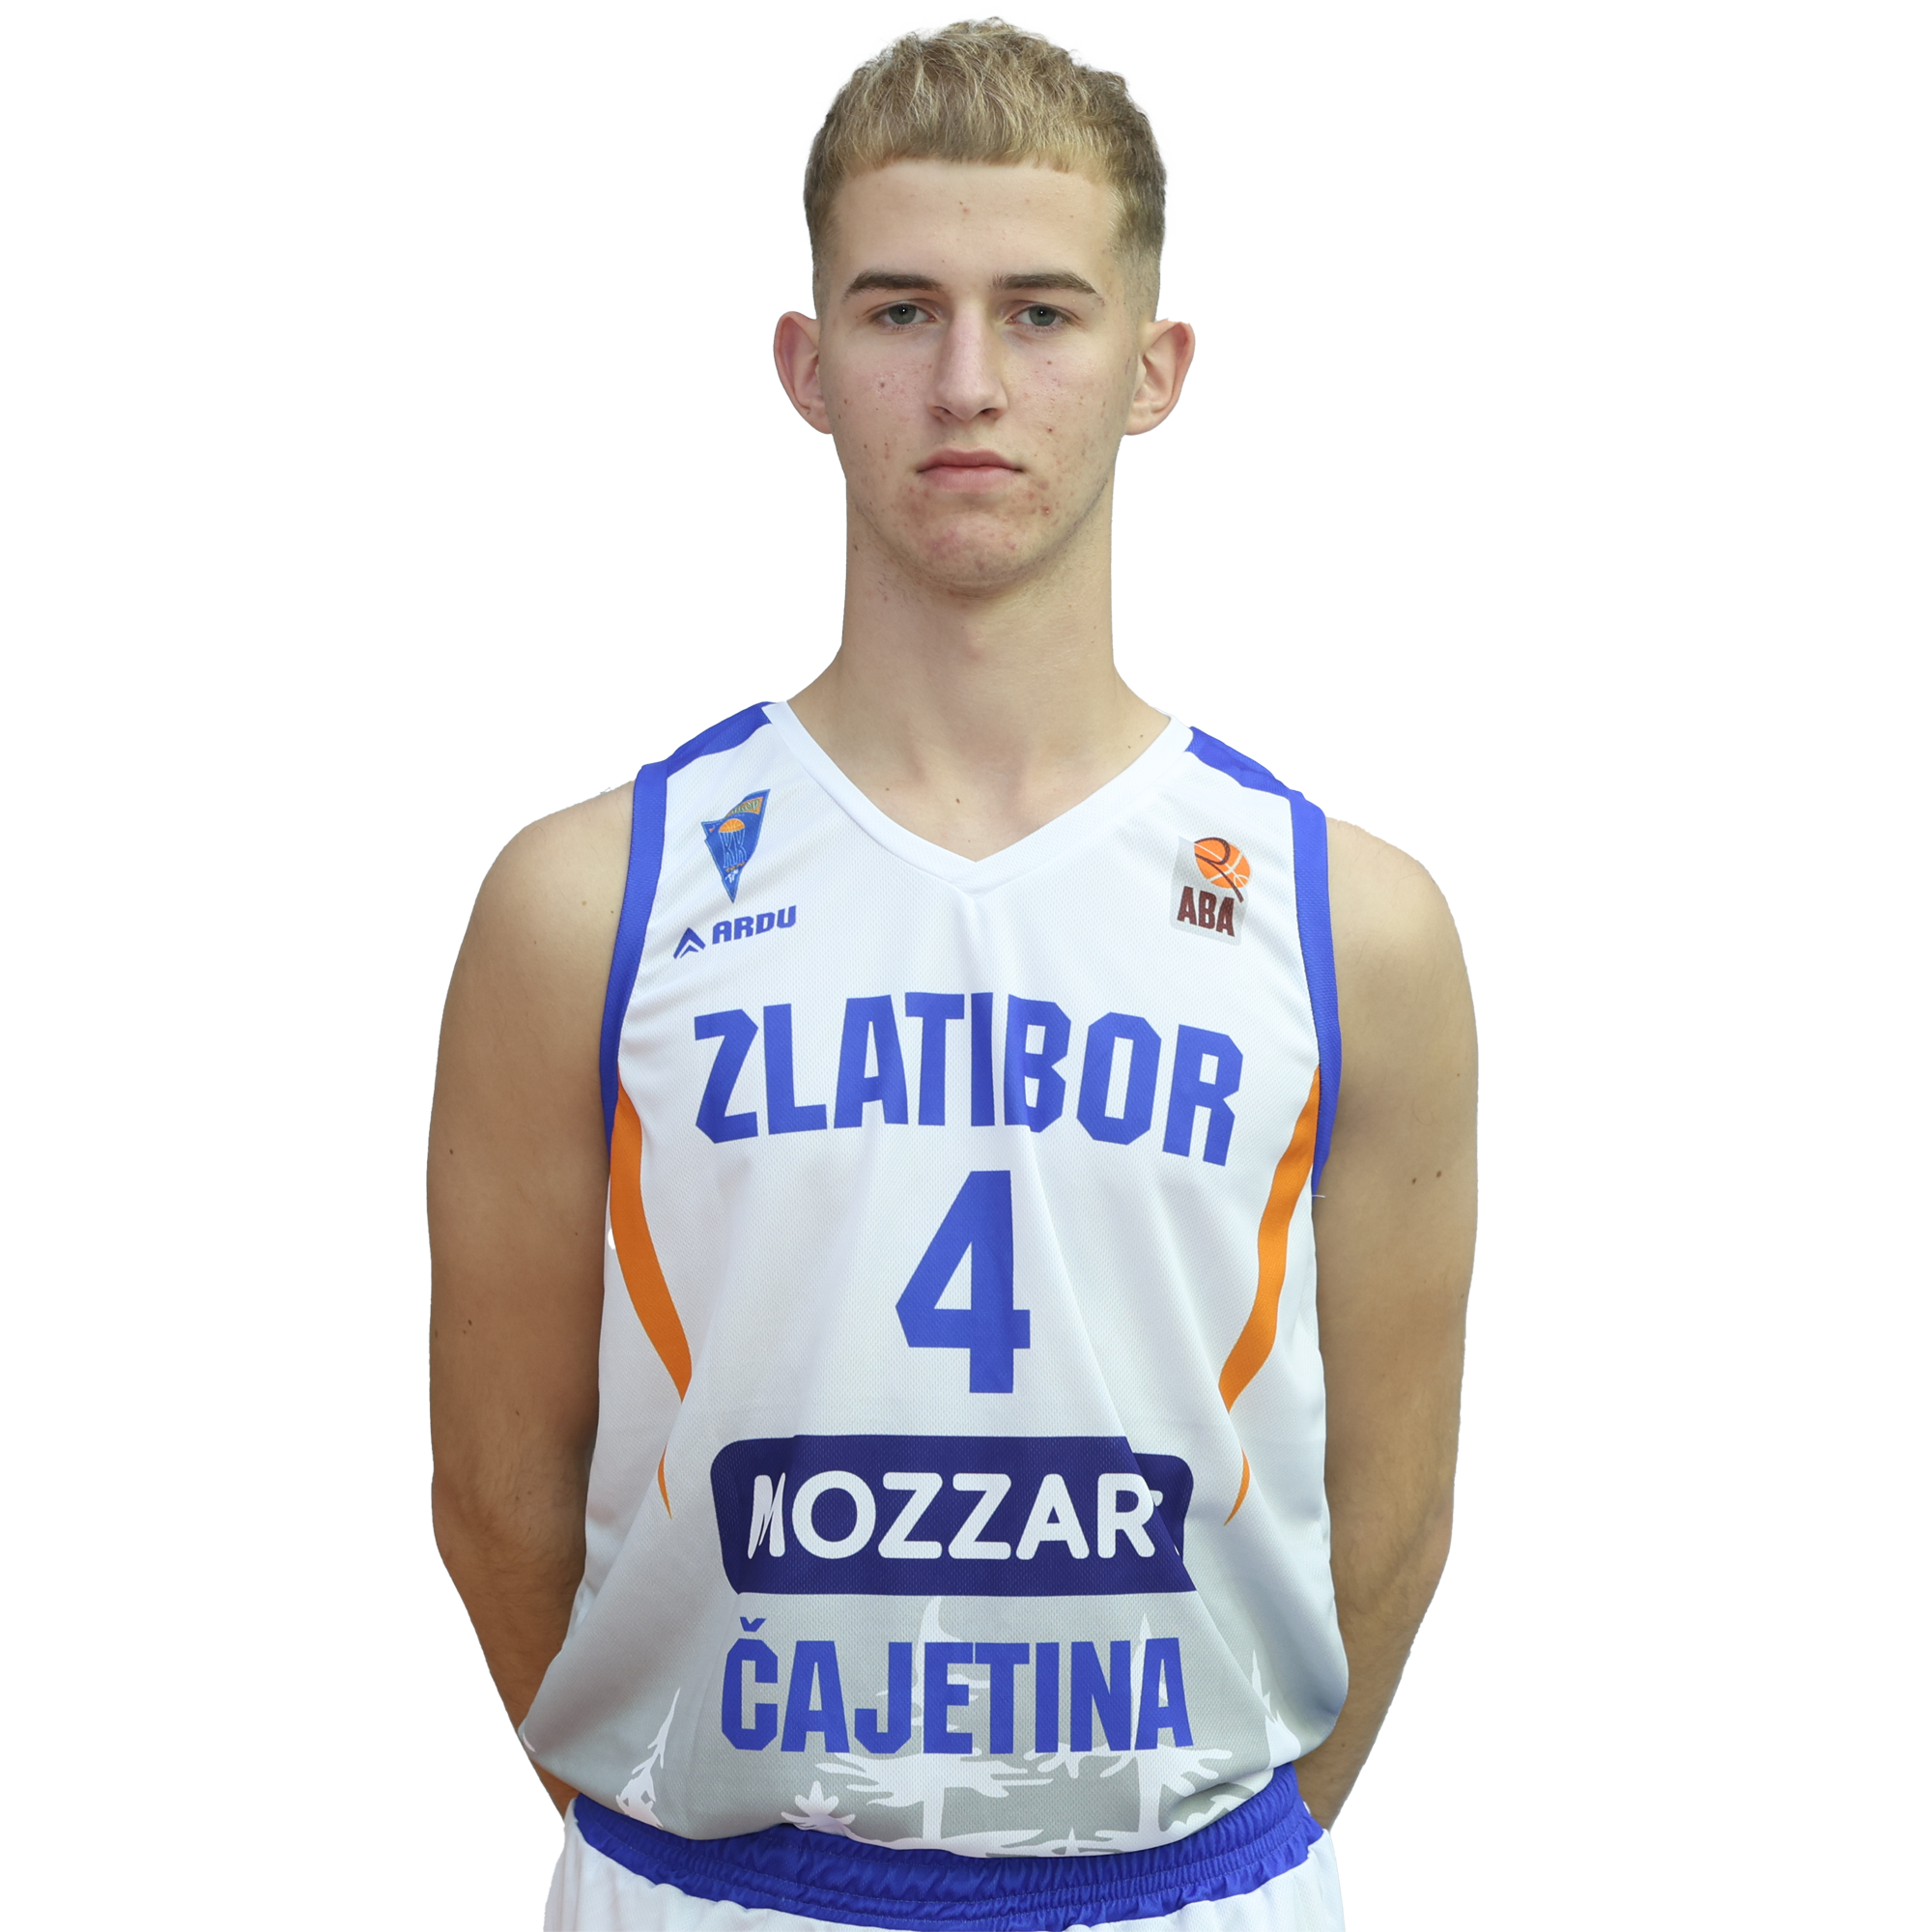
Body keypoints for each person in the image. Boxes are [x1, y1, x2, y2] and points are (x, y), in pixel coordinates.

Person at [430, 18, 1475, 1932]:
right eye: (899, 310)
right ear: (806, 365)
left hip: (1188, 1885)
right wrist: (687, 1839)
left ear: (1152, 370)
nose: (968, 381)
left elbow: (1391, 1514)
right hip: (713, 1885)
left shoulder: (1349, 924)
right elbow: (496, 1487)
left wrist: (1189, 1854)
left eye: (1043, 314)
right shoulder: (590, 903)